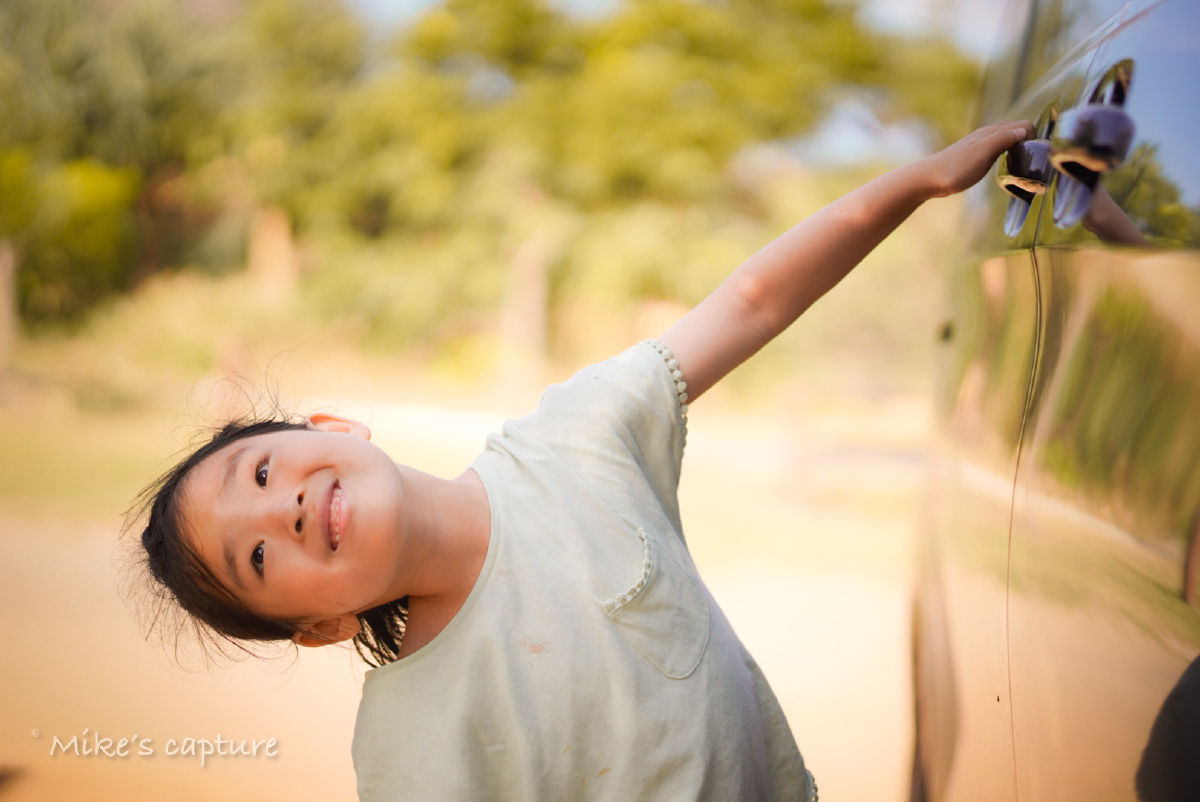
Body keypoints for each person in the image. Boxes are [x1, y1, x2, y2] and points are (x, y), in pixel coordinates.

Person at [128, 120, 1034, 801]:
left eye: (258, 474)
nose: (279, 512)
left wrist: (914, 183)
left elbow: (751, 304)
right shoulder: (407, 747)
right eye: (256, 560)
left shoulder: (574, 438)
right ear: (319, 629)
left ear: (333, 426)